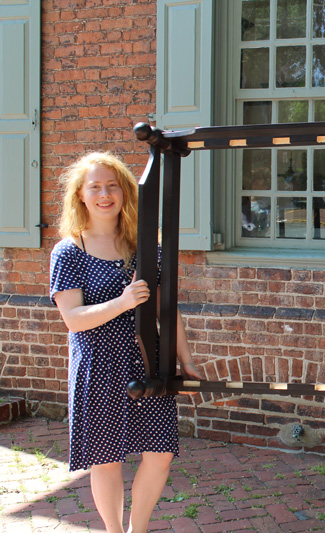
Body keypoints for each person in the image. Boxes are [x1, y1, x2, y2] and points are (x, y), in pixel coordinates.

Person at [49, 152, 203, 533]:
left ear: (125, 192)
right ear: (81, 195)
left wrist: (185, 360)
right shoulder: (69, 252)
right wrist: (122, 302)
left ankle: (139, 528)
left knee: (161, 452)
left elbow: (167, 312)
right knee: (106, 459)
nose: (105, 194)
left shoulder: (145, 248)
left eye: (113, 185)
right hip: (98, 365)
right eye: (95, 187)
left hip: (147, 361)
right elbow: (72, 319)